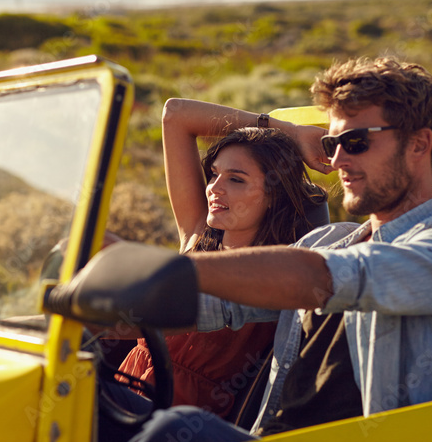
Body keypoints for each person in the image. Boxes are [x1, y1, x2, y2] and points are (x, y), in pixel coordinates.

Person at [111, 57, 432, 442]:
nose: (336, 162)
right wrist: (107, 306)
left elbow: (324, 277)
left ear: (419, 144)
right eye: (331, 145)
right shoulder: (331, 239)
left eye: (355, 142)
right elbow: (219, 306)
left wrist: (159, 270)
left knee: (166, 434)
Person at [115, 101, 331, 419]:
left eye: (236, 179)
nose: (214, 188)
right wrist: (290, 131)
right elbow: (174, 114)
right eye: (214, 174)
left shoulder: (280, 272)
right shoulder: (197, 237)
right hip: (126, 395)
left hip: (181, 422)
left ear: (273, 195)